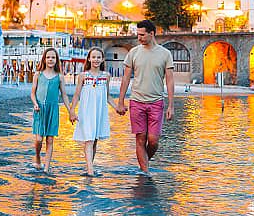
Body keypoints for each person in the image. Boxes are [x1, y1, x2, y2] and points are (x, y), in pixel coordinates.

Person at [116, 19, 175, 175]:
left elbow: (169, 80)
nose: (139, 38)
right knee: (140, 138)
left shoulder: (165, 54)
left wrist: (171, 105)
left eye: (142, 35)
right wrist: (120, 101)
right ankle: (145, 173)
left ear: (151, 34)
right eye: (138, 35)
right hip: (136, 101)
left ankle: (144, 164)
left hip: (156, 101)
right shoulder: (133, 53)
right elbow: (126, 78)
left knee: (153, 140)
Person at [69, 47, 118, 176]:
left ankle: (89, 167)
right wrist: (72, 111)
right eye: (93, 57)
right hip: (86, 111)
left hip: (100, 112)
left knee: (94, 140)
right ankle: (91, 172)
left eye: (98, 57)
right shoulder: (83, 76)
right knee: (89, 140)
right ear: (89, 59)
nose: (96, 60)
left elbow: (107, 96)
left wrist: (117, 107)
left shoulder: (106, 76)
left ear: (102, 59)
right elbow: (76, 95)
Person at [30, 47, 72, 173]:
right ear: (44, 59)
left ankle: (46, 168)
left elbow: (64, 94)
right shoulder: (38, 74)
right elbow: (32, 93)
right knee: (39, 139)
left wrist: (70, 111)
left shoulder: (59, 77)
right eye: (48, 57)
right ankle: (37, 157)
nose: (50, 59)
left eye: (53, 57)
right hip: (40, 109)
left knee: (50, 139)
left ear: (56, 60)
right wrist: (35, 103)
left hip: (53, 110)